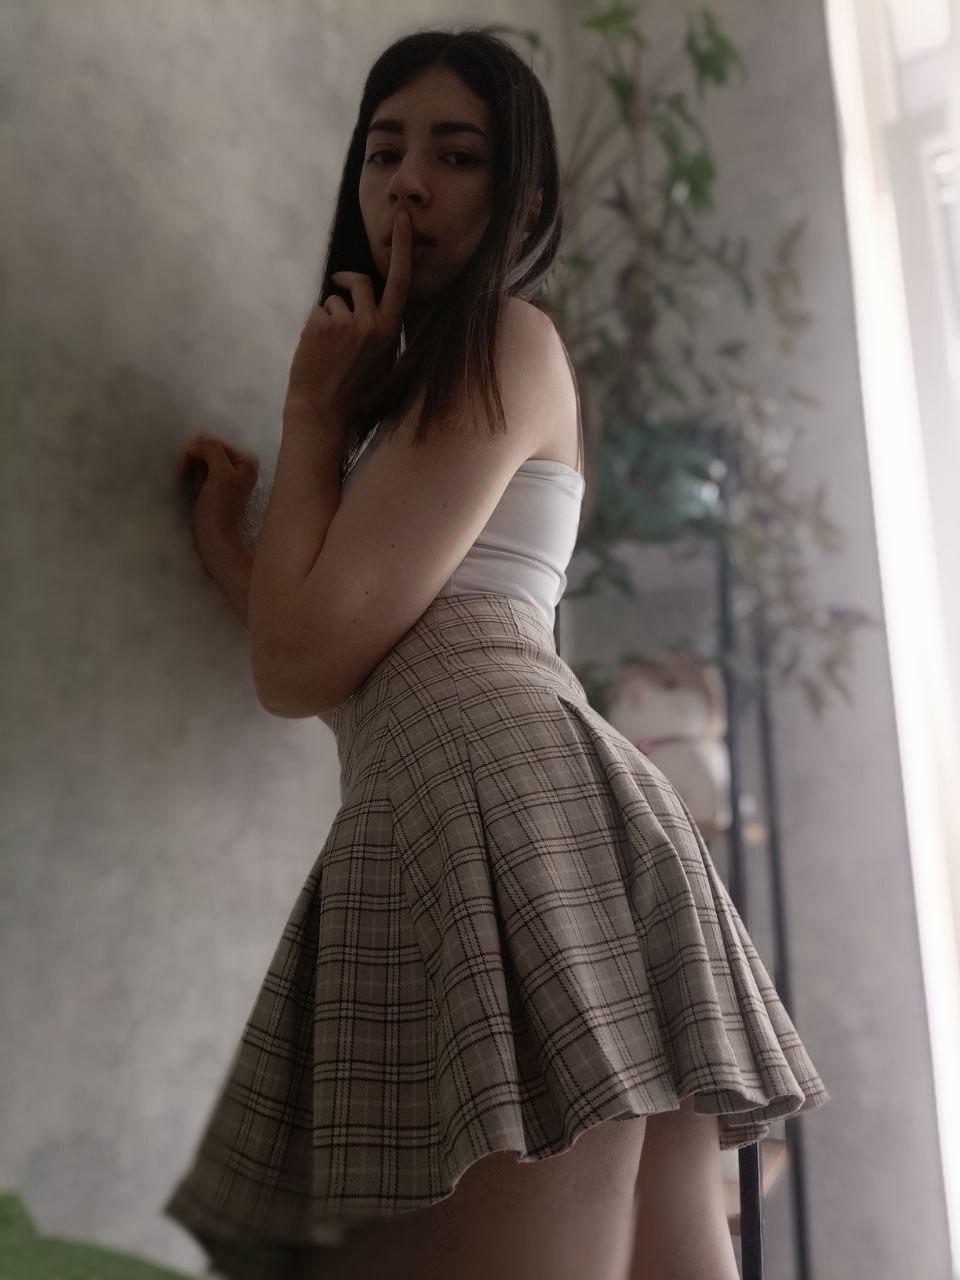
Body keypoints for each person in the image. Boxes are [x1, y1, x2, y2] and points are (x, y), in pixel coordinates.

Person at [166, 25, 829, 1280]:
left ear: (523, 200)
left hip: (502, 799)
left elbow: (300, 662)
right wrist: (229, 539)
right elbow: (351, 639)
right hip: (501, 796)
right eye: (384, 151)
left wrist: (310, 411)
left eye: (456, 154)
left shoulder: (509, 341)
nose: (408, 183)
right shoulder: (413, 391)